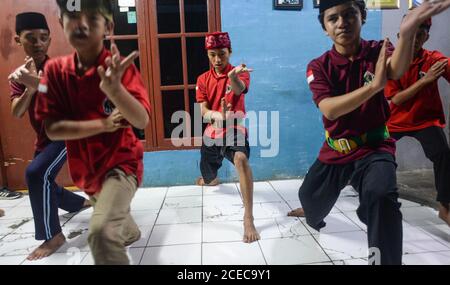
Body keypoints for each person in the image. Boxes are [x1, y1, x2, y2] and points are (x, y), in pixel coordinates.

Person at [287, 0, 450, 265]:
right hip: (336, 150)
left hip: (375, 146)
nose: (342, 23)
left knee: (382, 198)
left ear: (361, 16)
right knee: (309, 198)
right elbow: (329, 110)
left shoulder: (378, 50)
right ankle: (314, 213)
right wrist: (373, 87)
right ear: (325, 28)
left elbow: (396, 70)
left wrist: (408, 31)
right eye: (333, 18)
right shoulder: (319, 66)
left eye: (349, 14)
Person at [36, 0, 151, 265]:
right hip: (85, 170)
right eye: (73, 16)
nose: (82, 24)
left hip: (122, 164)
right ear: (61, 22)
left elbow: (141, 119)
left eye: (92, 18)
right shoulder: (54, 71)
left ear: (108, 26)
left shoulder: (119, 68)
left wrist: (115, 91)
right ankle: (131, 232)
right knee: (112, 216)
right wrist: (103, 123)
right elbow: (53, 129)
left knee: (100, 233)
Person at [8, 12, 90, 261]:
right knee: (44, 179)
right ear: (17, 40)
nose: (38, 44)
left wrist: (34, 81)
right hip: (45, 138)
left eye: (44, 38)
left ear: (50, 39)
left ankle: (53, 235)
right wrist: (29, 90)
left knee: (35, 173)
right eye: (30, 38)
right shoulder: (20, 76)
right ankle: (77, 203)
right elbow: (17, 111)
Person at [385, 15, 450, 226]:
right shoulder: (390, 62)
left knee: (443, 155)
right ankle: (320, 201)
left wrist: (430, 75)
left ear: (427, 37)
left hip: (425, 121)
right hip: (395, 121)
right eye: (409, 35)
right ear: (400, 36)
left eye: (419, 35)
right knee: (371, 155)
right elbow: (397, 99)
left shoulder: (433, 59)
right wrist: (426, 80)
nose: (413, 40)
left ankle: (445, 207)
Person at [195, 32, 260, 243]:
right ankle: (211, 179)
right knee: (209, 177)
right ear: (207, 55)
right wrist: (216, 115)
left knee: (241, 159)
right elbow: (202, 110)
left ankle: (248, 218)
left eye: (222, 54)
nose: (217, 59)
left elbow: (240, 89)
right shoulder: (202, 79)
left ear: (229, 52)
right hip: (212, 133)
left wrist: (233, 77)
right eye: (212, 55)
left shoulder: (240, 73)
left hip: (234, 130)